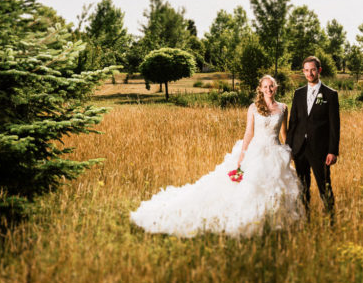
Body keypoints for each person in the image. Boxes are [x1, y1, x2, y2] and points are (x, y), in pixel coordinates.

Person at [130, 75, 302, 237]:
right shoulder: (253, 107)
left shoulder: (283, 107)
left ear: (276, 87)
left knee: (275, 186)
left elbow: (284, 133)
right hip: (256, 152)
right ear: (261, 89)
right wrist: (242, 157)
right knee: (251, 186)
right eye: (265, 86)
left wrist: (290, 152)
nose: (269, 89)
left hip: (275, 152)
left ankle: (271, 221)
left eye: (271, 86)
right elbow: (248, 133)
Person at [287, 56, 340, 223]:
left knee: (325, 187)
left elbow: (334, 126)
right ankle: (306, 219)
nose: (310, 73)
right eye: (306, 70)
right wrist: (289, 148)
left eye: (313, 70)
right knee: (303, 187)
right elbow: (293, 122)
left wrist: (332, 150)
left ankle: (331, 221)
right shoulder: (298, 93)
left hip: (320, 150)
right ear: (303, 72)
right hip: (299, 149)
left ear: (319, 70)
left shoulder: (330, 95)